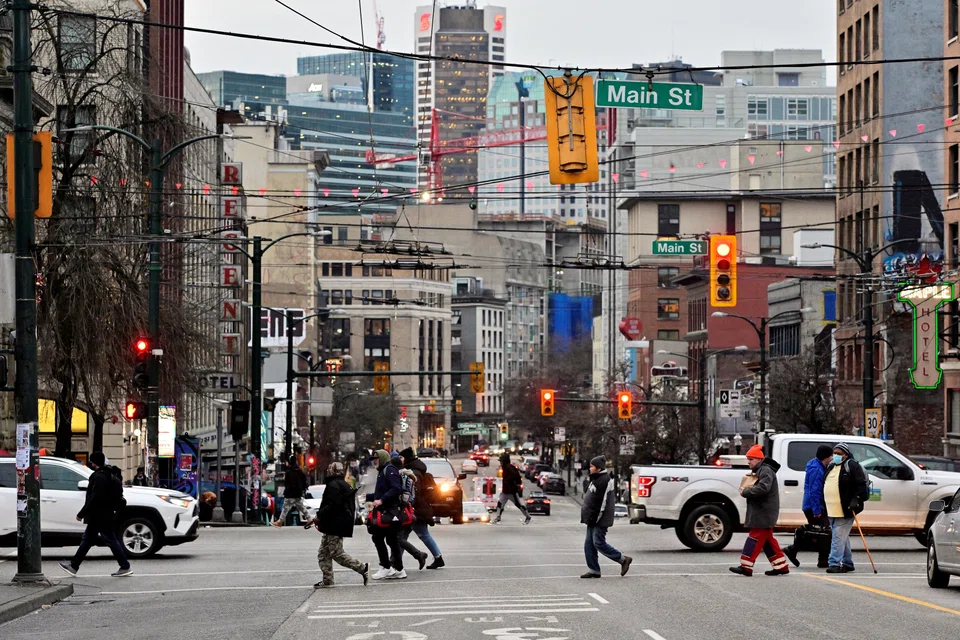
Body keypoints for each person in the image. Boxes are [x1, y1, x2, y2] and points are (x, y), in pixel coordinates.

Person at [59, 451, 132, 578]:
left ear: (94, 463)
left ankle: (125, 566)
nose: (91, 463)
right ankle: (74, 566)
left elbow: (94, 497)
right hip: (104, 514)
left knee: (109, 539)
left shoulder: (99, 477)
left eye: (92, 461)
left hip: (99, 515)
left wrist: (82, 513)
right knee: (88, 540)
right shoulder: (108, 475)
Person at [730, 444, 790, 577]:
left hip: (763, 512)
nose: (748, 462)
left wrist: (746, 491)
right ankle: (781, 566)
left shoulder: (765, 470)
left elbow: (763, 488)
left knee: (754, 538)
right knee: (768, 541)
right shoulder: (763, 470)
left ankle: (746, 566)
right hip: (765, 512)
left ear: (758, 459)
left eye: (751, 459)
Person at [310, 462, 370, 588]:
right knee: (323, 553)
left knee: (336, 553)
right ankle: (327, 580)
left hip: (334, 525)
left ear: (332, 471)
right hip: (335, 524)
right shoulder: (343, 484)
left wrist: (318, 516)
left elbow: (331, 505)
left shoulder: (333, 485)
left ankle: (362, 568)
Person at [782, 445, 834, 569]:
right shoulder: (816, 469)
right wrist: (817, 510)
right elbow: (814, 491)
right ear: (826, 457)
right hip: (814, 506)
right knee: (824, 532)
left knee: (819, 531)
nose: (833, 458)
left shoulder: (816, 465)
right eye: (831, 455)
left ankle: (797, 551)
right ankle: (819, 559)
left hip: (812, 505)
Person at [580, 456, 632, 578]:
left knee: (598, 542)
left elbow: (601, 502)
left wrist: (595, 518)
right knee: (589, 544)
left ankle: (623, 559)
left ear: (598, 468)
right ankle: (594, 570)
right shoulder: (596, 478)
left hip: (600, 518)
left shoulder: (604, 480)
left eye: (592, 466)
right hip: (593, 517)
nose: (590, 468)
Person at [823, 442, 870, 573]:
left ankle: (834, 563)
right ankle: (848, 563)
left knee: (838, 536)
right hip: (831, 508)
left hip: (846, 509)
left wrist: (856, 499)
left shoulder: (852, 466)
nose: (836, 456)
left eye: (839, 454)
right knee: (841, 537)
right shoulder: (831, 466)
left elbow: (860, 484)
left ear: (846, 454)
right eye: (835, 453)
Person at [399, 447, 445, 569]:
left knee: (420, 535)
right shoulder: (416, 470)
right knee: (403, 536)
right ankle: (397, 562)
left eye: (401, 457)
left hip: (416, 510)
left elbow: (415, 493)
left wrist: (410, 505)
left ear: (407, 458)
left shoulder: (414, 473)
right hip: (417, 509)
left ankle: (438, 558)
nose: (400, 460)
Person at [367, 449, 406, 580]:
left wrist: (381, 500)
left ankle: (386, 567)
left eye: (376, 459)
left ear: (382, 458)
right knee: (391, 540)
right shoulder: (384, 471)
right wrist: (368, 496)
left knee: (378, 538)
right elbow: (383, 491)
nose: (374, 462)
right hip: (388, 511)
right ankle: (399, 569)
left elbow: (396, 489)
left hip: (390, 511)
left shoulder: (389, 470)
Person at [493, 453, 531, 524]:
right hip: (505, 491)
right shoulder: (506, 467)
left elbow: (515, 476)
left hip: (511, 491)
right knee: (500, 503)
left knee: (518, 504)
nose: (500, 462)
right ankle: (498, 517)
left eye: (501, 461)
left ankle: (528, 516)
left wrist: (509, 481)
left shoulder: (509, 467)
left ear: (504, 461)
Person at [273, 456, 308, 527]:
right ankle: (309, 519)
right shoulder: (299, 470)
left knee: (285, 507)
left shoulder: (289, 471)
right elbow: (304, 480)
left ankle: (280, 521)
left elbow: (287, 483)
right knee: (301, 507)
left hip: (290, 493)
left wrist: (287, 490)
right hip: (298, 492)